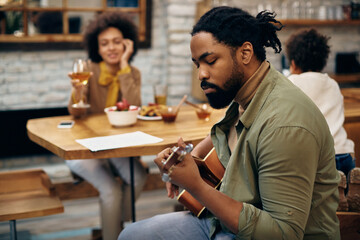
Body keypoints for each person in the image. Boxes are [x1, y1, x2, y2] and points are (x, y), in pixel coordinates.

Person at [118, 6, 341, 240]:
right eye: (197, 64)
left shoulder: (285, 124)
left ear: (245, 53)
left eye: (210, 61)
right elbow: (227, 140)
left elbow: (283, 233)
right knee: (132, 235)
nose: (201, 74)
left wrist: (196, 186)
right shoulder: (247, 96)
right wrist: (186, 160)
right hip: (227, 221)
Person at [66, 11, 147, 240]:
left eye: (117, 42)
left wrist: (124, 67)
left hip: (114, 145)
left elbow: (134, 108)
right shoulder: (88, 71)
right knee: (111, 190)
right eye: (104, 44)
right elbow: (74, 111)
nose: (111, 48)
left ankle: (116, 227)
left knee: (139, 176)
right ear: (97, 48)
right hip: (83, 146)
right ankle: (114, 234)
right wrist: (77, 90)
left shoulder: (132, 73)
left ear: (126, 45)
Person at [285, 28, 356, 178]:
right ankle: (345, 188)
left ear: (293, 63)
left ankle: (332, 193)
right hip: (343, 155)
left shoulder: (290, 84)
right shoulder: (332, 84)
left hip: (317, 161)